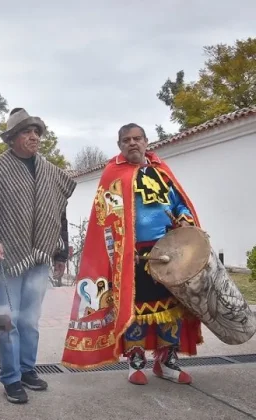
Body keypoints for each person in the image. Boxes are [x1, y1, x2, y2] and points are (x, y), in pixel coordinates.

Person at [61, 123, 203, 385]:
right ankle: (136, 361)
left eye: (137, 138)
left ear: (147, 141)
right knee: (135, 308)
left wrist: (183, 218)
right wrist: (120, 251)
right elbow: (105, 220)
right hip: (132, 255)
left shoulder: (161, 171)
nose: (132, 143)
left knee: (171, 307)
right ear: (120, 146)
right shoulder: (112, 175)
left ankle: (167, 361)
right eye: (126, 140)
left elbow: (180, 202)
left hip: (168, 252)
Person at [0, 108, 76, 404]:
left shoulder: (50, 171)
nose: (34, 136)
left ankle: (27, 369)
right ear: (12, 138)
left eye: (36, 131)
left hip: (38, 258)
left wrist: (60, 251)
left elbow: (58, 213)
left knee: (31, 320)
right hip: (5, 256)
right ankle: (10, 378)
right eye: (26, 131)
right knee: (7, 320)